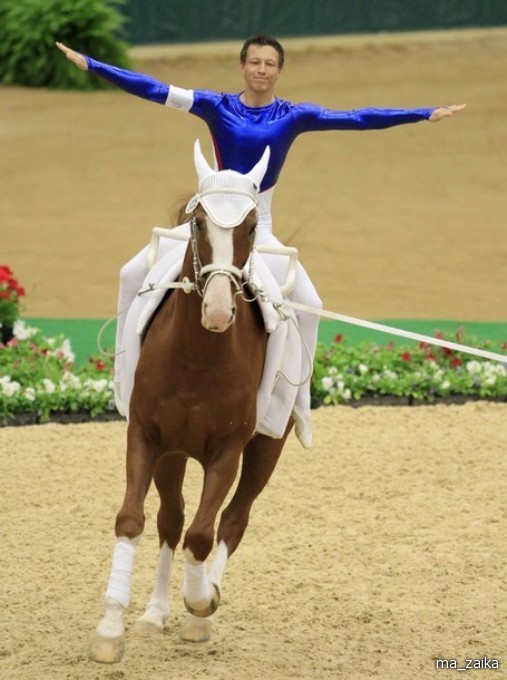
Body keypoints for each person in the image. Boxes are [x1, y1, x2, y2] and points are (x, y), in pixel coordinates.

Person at [56, 35, 465, 448]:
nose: (262, 70)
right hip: (211, 219)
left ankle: (297, 406)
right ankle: (125, 382)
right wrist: (93, 65)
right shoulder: (215, 105)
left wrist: (423, 113)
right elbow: (154, 88)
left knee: (311, 305)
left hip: (257, 226)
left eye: (270, 64)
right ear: (243, 67)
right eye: (255, 62)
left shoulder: (295, 115)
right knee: (130, 273)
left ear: (279, 71)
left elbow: (357, 118)